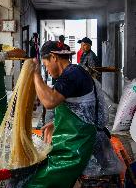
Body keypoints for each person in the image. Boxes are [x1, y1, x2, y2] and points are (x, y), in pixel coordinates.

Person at [26, 41, 122, 187]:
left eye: (46, 65)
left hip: (79, 146)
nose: (48, 70)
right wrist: (56, 123)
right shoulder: (74, 72)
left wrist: (36, 74)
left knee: (38, 181)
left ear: (53, 57)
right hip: (81, 138)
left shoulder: (72, 74)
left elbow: (49, 101)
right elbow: (81, 110)